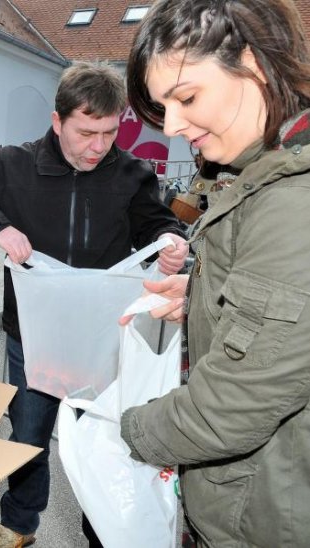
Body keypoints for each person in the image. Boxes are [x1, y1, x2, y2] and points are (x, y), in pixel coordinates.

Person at [0, 61, 189, 544]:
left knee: (103, 445)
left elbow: (156, 223)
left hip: (102, 339)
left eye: (109, 133)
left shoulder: (129, 174)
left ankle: (100, 533)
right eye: (86, 132)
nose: (98, 147)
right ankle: (17, 531)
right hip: (34, 336)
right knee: (28, 440)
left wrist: (172, 240)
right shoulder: (14, 165)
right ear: (57, 121)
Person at [118, 0, 310, 545]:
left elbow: (228, 410)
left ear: (250, 62)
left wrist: (122, 427)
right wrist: (206, 293)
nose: (173, 125)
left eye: (186, 97)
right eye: (163, 105)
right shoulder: (258, 172)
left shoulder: (295, 201)